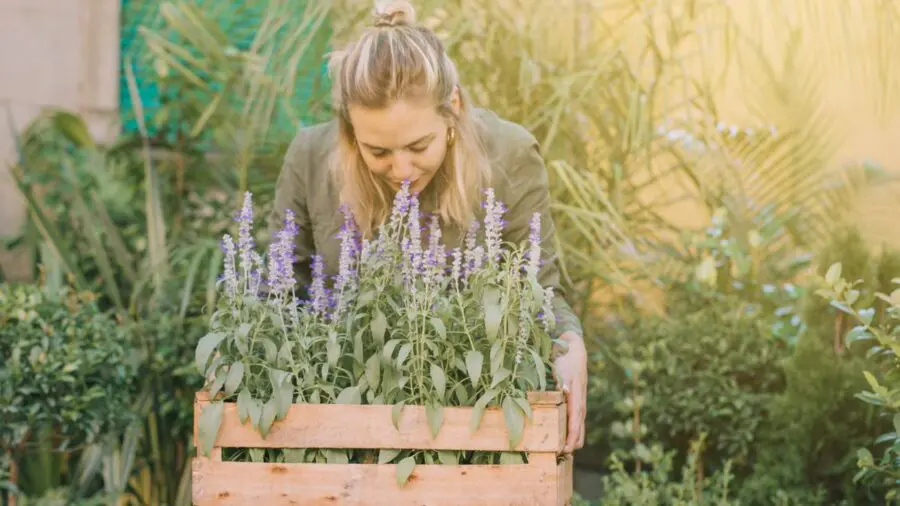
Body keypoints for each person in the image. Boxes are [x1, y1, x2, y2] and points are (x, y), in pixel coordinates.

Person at [268, 0, 587, 455]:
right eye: (377, 152)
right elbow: (279, 293)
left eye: (418, 145)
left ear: (452, 108)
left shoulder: (509, 156)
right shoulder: (310, 158)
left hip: (471, 434)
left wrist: (569, 341)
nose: (401, 169)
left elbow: (536, 288)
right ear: (349, 130)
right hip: (339, 436)